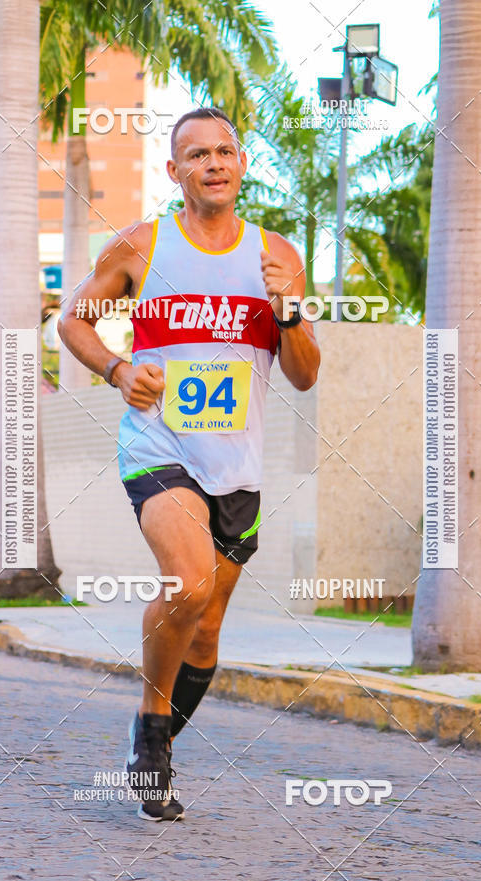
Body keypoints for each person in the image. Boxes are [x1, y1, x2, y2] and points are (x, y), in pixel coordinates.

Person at [58, 107, 320, 821]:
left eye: (225, 151)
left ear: (241, 165)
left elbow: (304, 375)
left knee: (205, 629)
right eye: (196, 154)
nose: (213, 163)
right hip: (159, 448)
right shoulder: (142, 246)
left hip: (236, 466)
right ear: (174, 173)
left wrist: (289, 313)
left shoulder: (278, 256)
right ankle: (152, 742)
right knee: (189, 582)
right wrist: (116, 369)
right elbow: (72, 317)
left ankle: (153, 737)